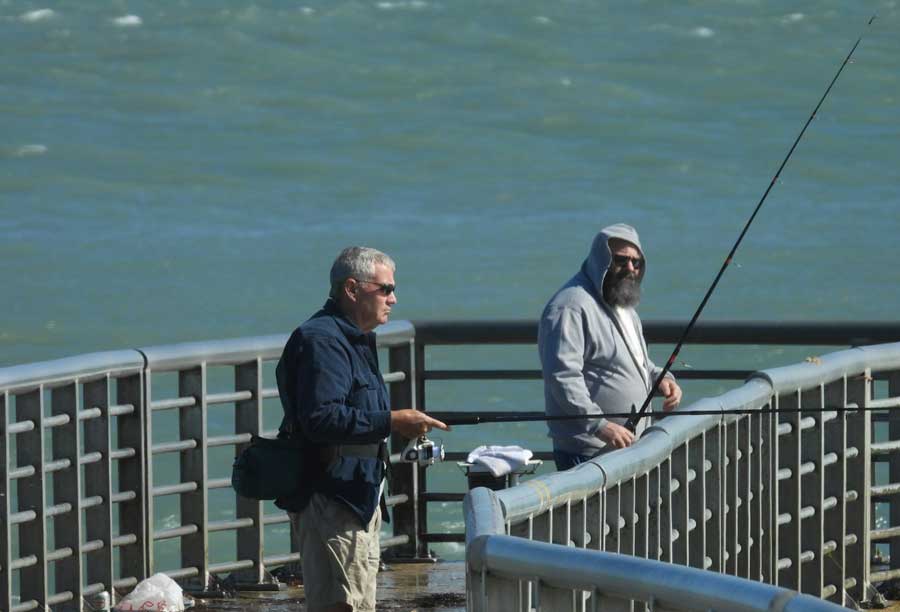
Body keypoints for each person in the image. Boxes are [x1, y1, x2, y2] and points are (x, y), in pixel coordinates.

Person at [274, 246, 449, 612]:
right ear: (352, 289)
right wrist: (392, 420)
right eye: (385, 289)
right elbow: (321, 418)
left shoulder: (352, 337)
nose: (394, 298)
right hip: (332, 499)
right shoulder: (322, 341)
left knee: (357, 602)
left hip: (358, 496)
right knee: (341, 604)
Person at [538, 223, 682, 470]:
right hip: (588, 453)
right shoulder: (570, 307)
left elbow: (637, 363)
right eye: (621, 260)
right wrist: (599, 425)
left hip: (628, 446)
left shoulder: (622, 304)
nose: (630, 269)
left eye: (636, 263)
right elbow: (562, 376)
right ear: (600, 260)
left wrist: (663, 380)